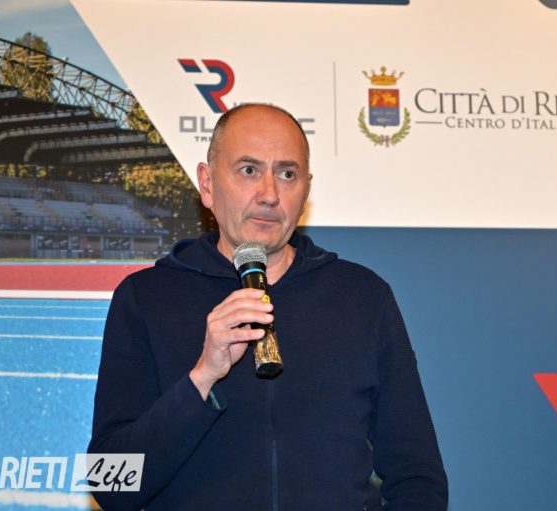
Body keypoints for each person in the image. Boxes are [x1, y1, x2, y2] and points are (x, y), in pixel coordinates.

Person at [88, 103, 448, 510]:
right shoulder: (146, 297)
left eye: (287, 174)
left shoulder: (364, 296)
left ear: (306, 191)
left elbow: (418, 475)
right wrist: (202, 378)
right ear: (207, 183)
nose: (269, 195)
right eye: (248, 170)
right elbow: (110, 483)